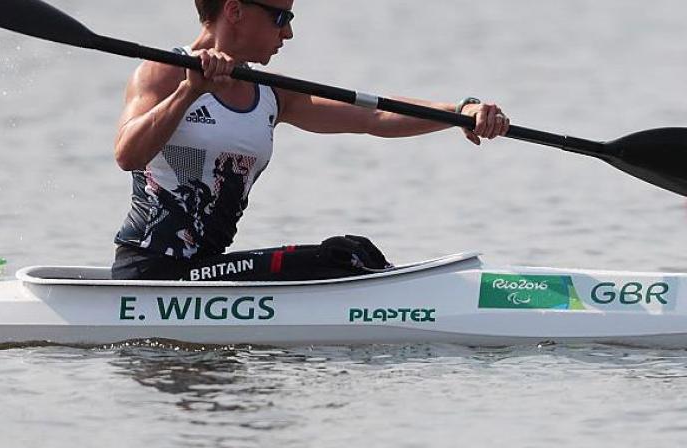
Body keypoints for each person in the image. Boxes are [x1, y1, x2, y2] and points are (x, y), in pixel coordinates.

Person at [111, 0, 510, 281]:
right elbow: (128, 154)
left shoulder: (270, 92)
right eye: (281, 17)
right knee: (343, 257)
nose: (288, 32)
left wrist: (459, 111)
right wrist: (189, 92)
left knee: (356, 253)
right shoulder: (163, 74)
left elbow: (374, 116)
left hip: (206, 273)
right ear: (234, 10)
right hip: (150, 271)